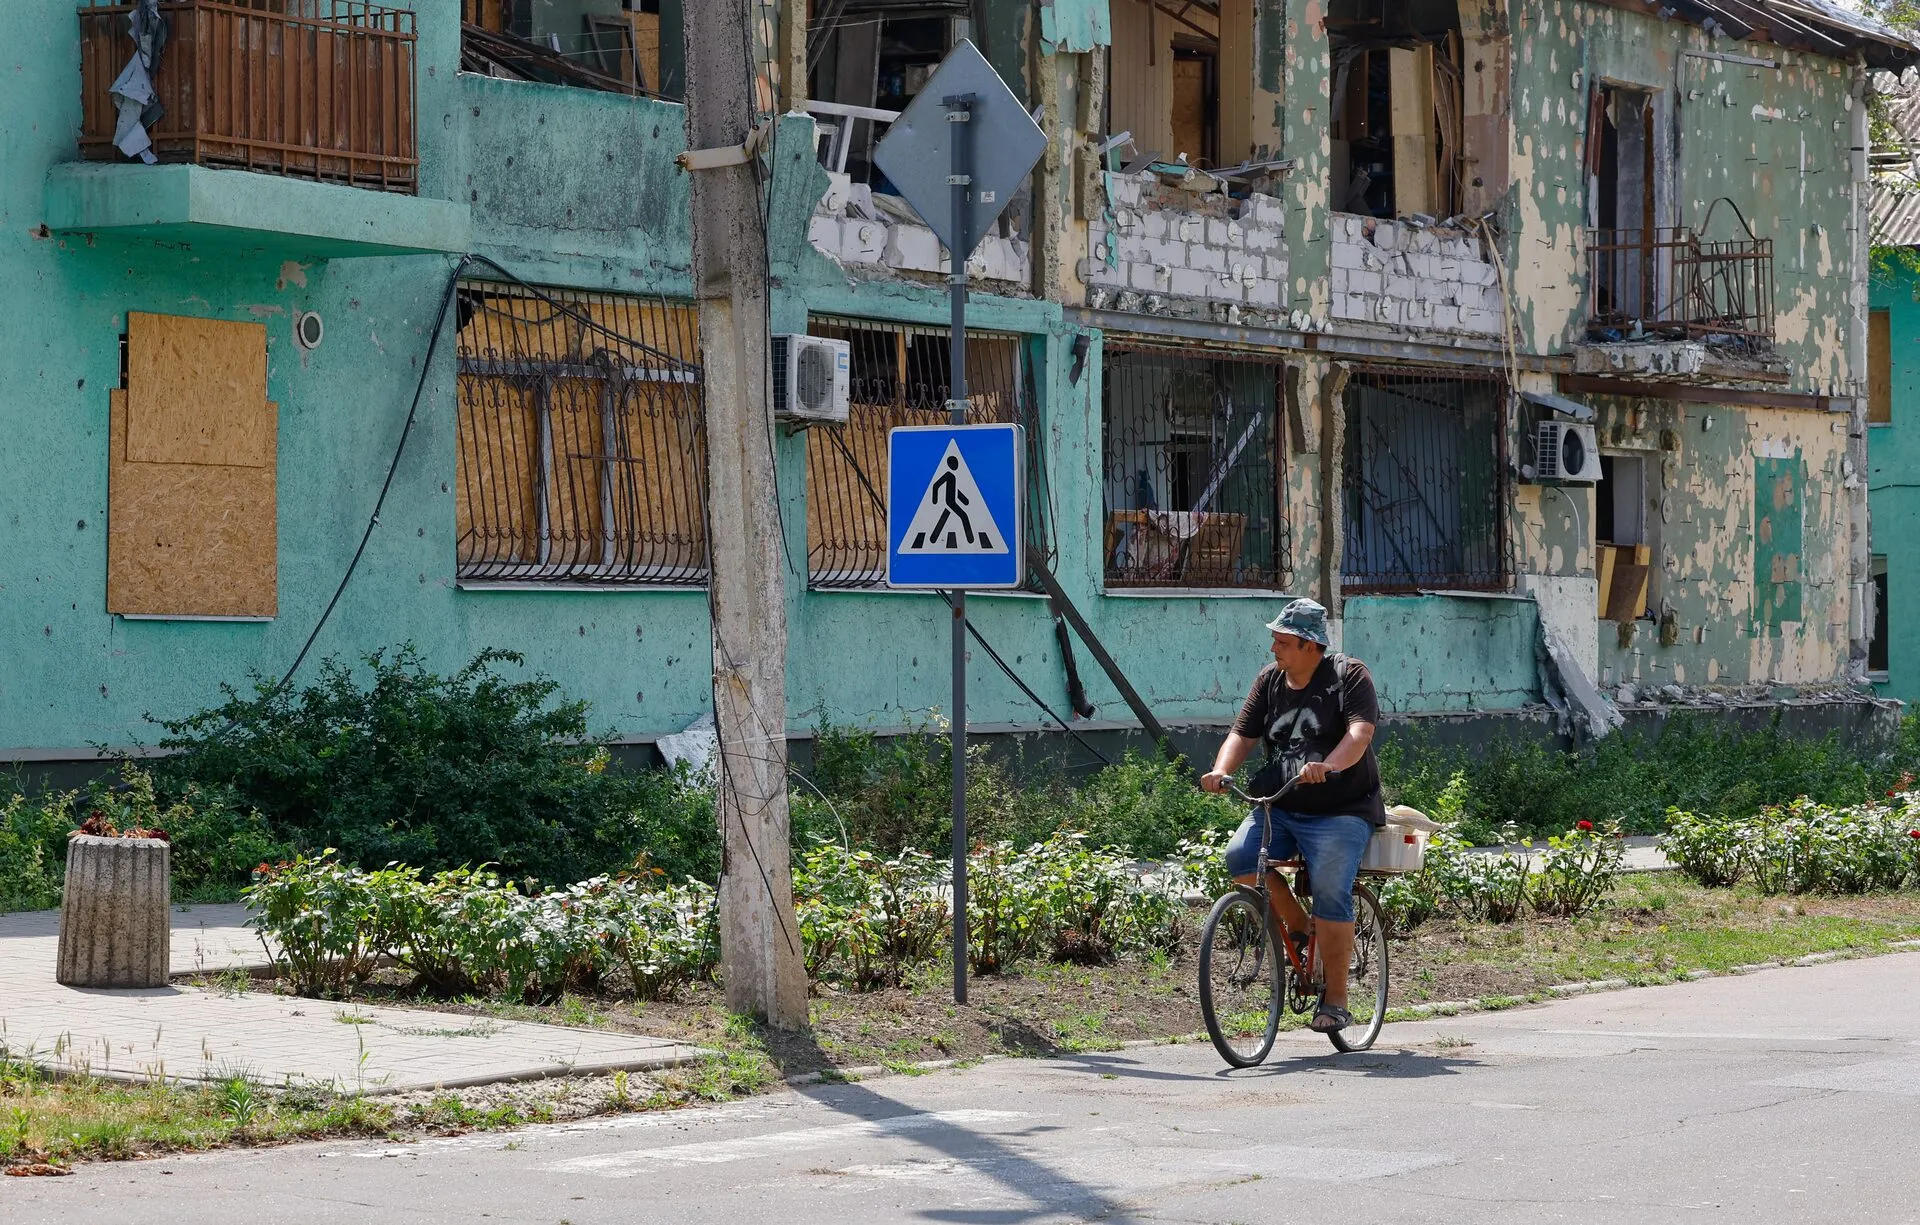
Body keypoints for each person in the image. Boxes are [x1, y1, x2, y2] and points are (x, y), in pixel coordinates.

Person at [1200, 598, 1386, 1033]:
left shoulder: (1348, 676)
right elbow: (1241, 734)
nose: (1273, 649)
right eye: (1274, 640)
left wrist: (1331, 765)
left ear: (1308, 645)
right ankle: (1299, 925)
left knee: (1329, 889)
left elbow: (1360, 734)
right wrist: (1221, 770)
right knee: (1242, 861)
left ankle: (1337, 1000)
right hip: (1281, 802)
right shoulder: (1270, 681)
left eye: (1282, 642)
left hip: (1341, 809)